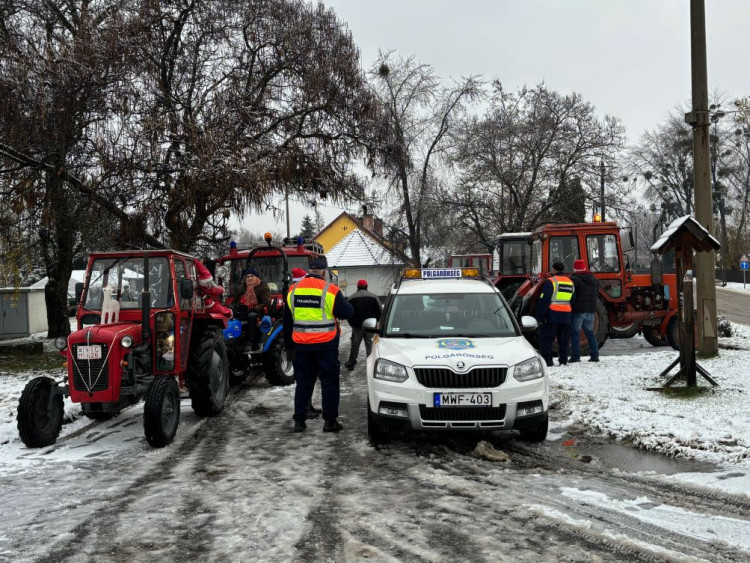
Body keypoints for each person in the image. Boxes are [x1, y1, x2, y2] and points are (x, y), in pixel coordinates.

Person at [284, 258, 353, 433]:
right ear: (324, 271)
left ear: (310, 270)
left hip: (301, 345)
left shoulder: (292, 290)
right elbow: (346, 313)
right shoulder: (330, 290)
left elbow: (287, 321)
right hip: (326, 346)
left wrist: (289, 347)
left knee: (303, 383)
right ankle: (330, 422)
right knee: (329, 383)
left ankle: (300, 421)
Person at [535, 261, 574, 367]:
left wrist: (539, 316)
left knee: (546, 340)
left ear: (554, 270)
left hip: (552, 315)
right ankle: (563, 360)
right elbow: (573, 299)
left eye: (551, 269)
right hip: (566, 315)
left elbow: (544, 299)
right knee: (564, 340)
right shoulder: (570, 282)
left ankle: (548, 361)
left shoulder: (551, 281)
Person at [344, 279, 382, 371]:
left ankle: (351, 363)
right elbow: (380, 310)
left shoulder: (351, 298)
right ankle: (371, 364)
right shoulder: (374, 296)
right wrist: (376, 321)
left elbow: (348, 313)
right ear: (366, 286)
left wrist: (352, 323)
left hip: (357, 327)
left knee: (355, 345)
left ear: (357, 287)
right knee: (370, 345)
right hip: (371, 327)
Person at [569, 259, 600, 362]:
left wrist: (571, 304)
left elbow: (572, 295)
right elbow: (596, 294)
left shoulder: (574, 279)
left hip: (578, 310)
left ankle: (575, 356)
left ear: (575, 268)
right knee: (590, 333)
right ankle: (595, 356)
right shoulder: (593, 279)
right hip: (591, 310)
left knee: (575, 333)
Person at [232, 267, 272, 347]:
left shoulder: (262, 287)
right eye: (248, 276)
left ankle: (250, 342)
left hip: (259, 312)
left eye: (252, 276)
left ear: (256, 277)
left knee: (251, 316)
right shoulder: (241, 288)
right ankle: (233, 340)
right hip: (243, 310)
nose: (250, 278)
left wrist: (255, 309)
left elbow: (266, 303)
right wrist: (232, 307)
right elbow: (235, 302)